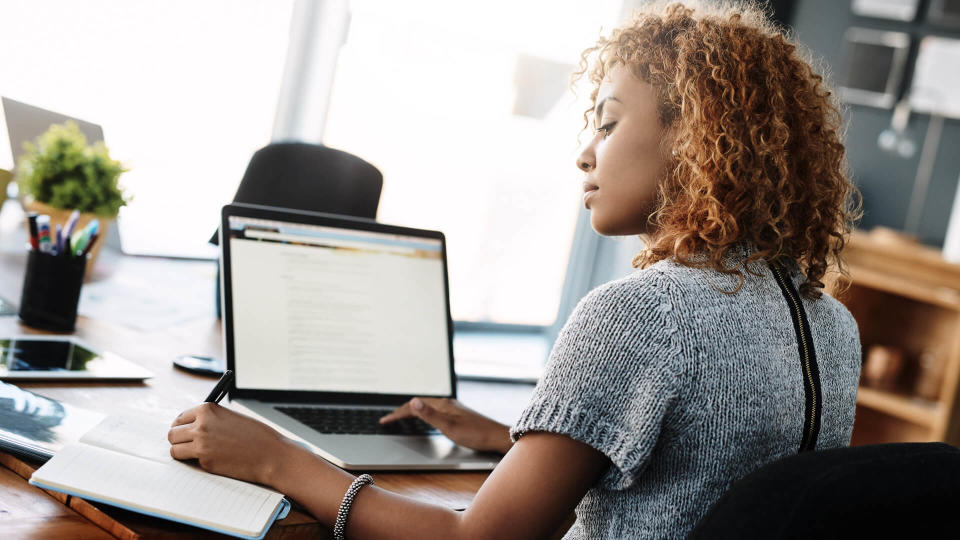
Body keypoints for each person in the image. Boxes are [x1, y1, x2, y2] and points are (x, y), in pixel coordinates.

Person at [167, 2, 862, 538]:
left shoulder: (645, 314)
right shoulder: (829, 323)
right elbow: (706, 473)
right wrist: (515, 439)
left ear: (697, 138)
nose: (585, 153)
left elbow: (481, 538)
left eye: (610, 122)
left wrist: (274, 459)